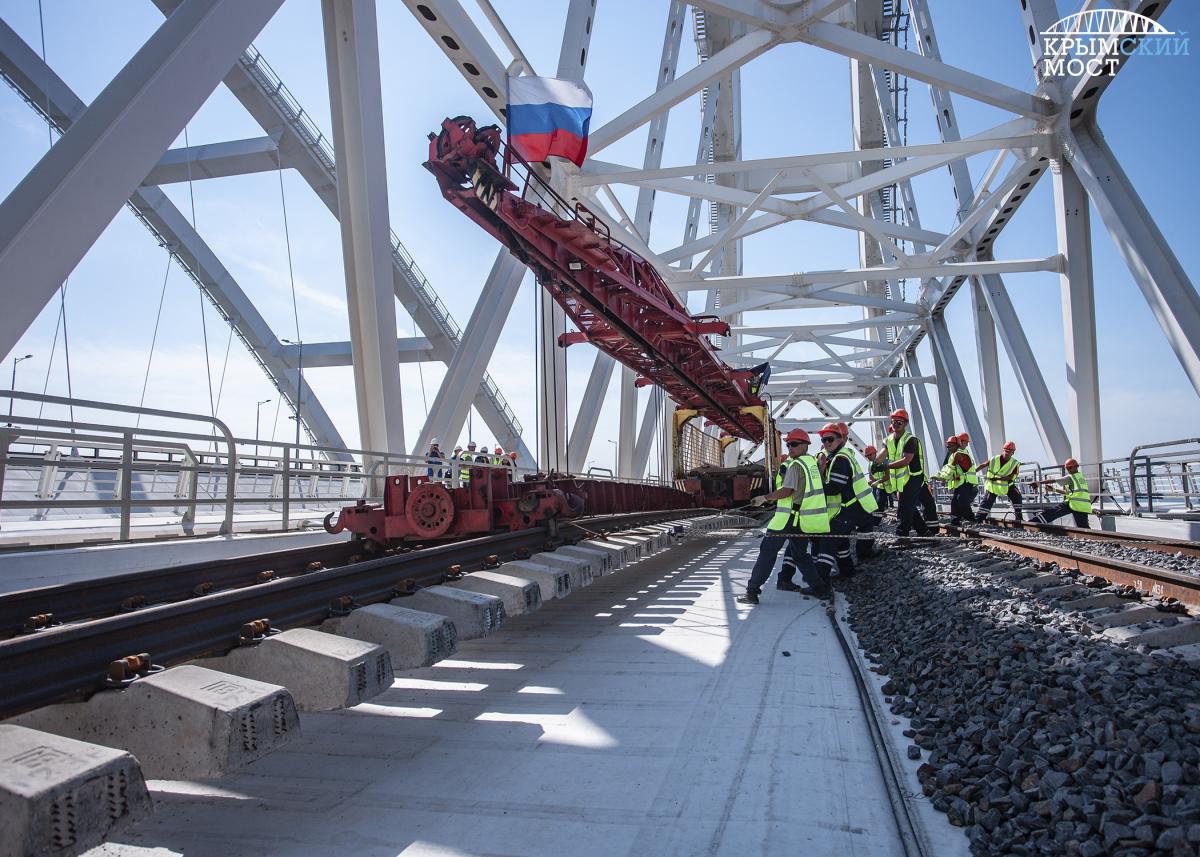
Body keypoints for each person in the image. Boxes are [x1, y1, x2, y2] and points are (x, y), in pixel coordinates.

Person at [737, 429, 835, 604]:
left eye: (794, 444)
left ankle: (752, 592)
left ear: (805, 446)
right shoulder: (810, 463)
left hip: (787, 519)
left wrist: (764, 498)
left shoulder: (796, 465)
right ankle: (821, 589)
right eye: (788, 444)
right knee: (800, 556)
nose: (790, 447)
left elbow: (787, 491)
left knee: (767, 552)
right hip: (800, 520)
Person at [818, 423, 879, 574]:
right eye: (824, 440)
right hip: (854, 505)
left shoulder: (840, 459)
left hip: (849, 508)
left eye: (830, 439)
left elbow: (834, 488)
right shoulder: (835, 456)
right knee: (842, 542)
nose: (826, 443)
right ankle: (848, 572)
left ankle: (820, 582)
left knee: (828, 543)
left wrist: (815, 490)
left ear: (840, 439)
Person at [883, 409, 931, 541]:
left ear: (905, 424)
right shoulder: (890, 440)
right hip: (903, 479)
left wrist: (886, 466)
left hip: (914, 477)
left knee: (904, 507)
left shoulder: (910, 440)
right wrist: (876, 463)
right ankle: (924, 531)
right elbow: (882, 453)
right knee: (908, 506)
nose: (895, 424)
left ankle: (902, 535)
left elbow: (906, 460)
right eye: (893, 421)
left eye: (899, 422)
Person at [1032, 458, 1093, 528]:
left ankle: (1032, 522)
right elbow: (1067, 492)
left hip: (1073, 504)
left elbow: (1053, 480)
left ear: (1077, 466)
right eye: (1067, 468)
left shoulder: (1071, 477)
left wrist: (1038, 483)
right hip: (1082, 506)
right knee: (1083, 527)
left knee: (1052, 513)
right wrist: (1054, 489)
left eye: (1070, 467)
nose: (1068, 470)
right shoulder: (1080, 477)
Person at [933, 435, 977, 526]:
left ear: (957, 445)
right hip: (960, 482)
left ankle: (970, 519)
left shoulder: (958, 454)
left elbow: (950, 468)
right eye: (947, 446)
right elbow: (948, 467)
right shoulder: (953, 455)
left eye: (950, 445)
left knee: (961, 500)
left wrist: (941, 477)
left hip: (967, 481)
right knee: (955, 501)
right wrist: (941, 476)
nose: (948, 448)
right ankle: (955, 521)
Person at [975, 441, 1023, 522]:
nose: (1007, 453)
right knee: (986, 503)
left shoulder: (1015, 463)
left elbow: (1011, 477)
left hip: (1007, 484)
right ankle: (978, 520)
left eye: (1009, 451)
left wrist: (998, 479)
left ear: (1013, 453)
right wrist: (973, 472)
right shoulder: (994, 459)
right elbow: (983, 465)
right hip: (993, 485)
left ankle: (1019, 518)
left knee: (1017, 497)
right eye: (1006, 451)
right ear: (1003, 450)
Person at [864, 445, 891, 509]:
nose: (869, 457)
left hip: (890, 488)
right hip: (880, 489)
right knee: (878, 507)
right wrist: (866, 483)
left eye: (870, 454)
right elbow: (871, 478)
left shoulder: (883, 461)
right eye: (867, 455)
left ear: (875, 453)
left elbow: (888, 475)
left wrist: (877, 482)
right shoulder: (870, 465)